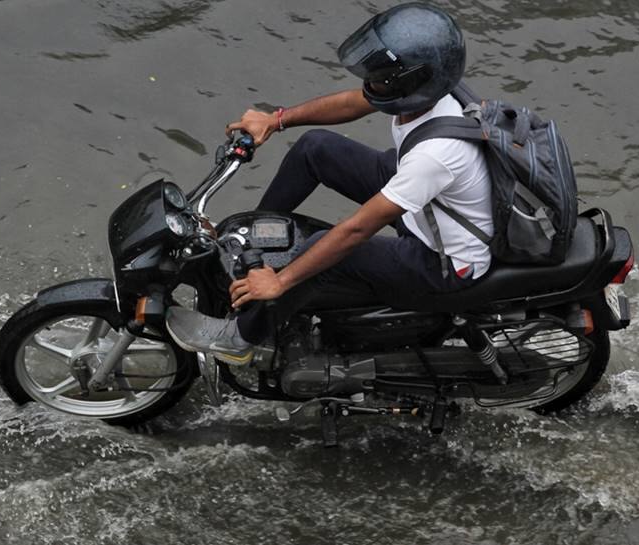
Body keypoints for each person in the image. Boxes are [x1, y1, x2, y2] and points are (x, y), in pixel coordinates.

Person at [166, 3, 493, 364]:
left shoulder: (437, 153)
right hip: (432, 208)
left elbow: (357, 230)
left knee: (328, 248)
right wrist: (276, 121)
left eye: (382, 78)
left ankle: (241, 336)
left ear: (410, 81)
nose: (371, 83)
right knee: (316, 148)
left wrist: (282, 282)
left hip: (444, 260)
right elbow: (355, 102)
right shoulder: (433, 92)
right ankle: (252, 251)